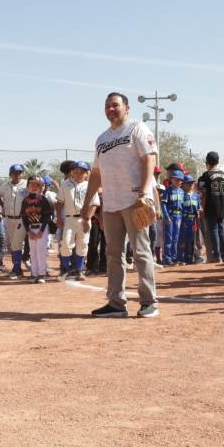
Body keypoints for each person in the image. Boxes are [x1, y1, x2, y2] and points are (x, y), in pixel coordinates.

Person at [81, 92, 159, 319]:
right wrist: (88, 203)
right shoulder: (102, 139)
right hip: (112, 203)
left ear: (127, 107)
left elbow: (149, 160)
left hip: (135, 201)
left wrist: (144, 193)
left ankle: (149, 301)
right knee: (113, 254)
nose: (110, 109)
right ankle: (116, 303)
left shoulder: (137, 129)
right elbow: (96, 173)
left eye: (115, 105)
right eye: (107, 106)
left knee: (141, 251)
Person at [57, 161, 99, 279]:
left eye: (82, 171)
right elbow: (59, 203)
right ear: (72, 172)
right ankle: (64, 269)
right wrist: (59, 219)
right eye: (76, 171)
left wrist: (86, 219)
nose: (78, 173)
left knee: (83, 244)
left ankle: (79, 270)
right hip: (69, 219)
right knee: (66, 243)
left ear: (86, 174)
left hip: (84, 219)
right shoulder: (65, 184)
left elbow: (94, 204)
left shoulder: (90, 185)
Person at [0, 164, 28, 279]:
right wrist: (3, 206)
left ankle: (17, 269)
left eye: (20, 172)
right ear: (10, 174)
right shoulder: (5, 186)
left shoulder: (26, 185)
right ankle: (16, 268)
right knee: (12, 244)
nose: (18, 175)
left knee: (16, 243)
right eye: (15, 173)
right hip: (9, 218)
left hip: (21, 218)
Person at [197, 152, 224, 263]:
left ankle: (217, 255)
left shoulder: (206, 175)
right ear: (218, 161)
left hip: (211, 206)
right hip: (222, 205)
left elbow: (202, 191)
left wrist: (202, 207)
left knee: (214, 230)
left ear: (207, 162)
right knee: (221, 230)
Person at [21, 176, 54, 283]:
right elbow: (24, 217)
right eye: (32, 185)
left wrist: (41, 231)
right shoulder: (25, 201)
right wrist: (28, 231)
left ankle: (41, 274)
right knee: (33, 252)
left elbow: (46, 216)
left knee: (41, 251)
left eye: (37, 185)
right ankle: (34, 274)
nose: (34, 187)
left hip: (41, 227)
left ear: (40, 187)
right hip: (31, 228)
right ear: (28, 187)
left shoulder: (43, 199)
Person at [160, 169, 185, 265]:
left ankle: (174, 258)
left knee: (176, 238)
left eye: (180, 180)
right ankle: (167, 259)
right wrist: (166, 216)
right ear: (172, 179)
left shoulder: (182, 192)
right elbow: (163, 204)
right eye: (176, 179)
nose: (178, 181)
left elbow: (182, 206)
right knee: (168, 238)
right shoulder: (168, 191)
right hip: (170, 216)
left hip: (179, 216)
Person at [179, 174, 203, 265]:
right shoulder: (181, 195)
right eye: (188, 183)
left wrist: (199, 210)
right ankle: (185, 258)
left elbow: (199, 207)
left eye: (192, 183)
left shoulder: (196, 195)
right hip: (184, 220)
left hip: (194, 220)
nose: (190, 185)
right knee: (185, 239)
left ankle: (197, 256)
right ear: (183, 184)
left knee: (195, 239)